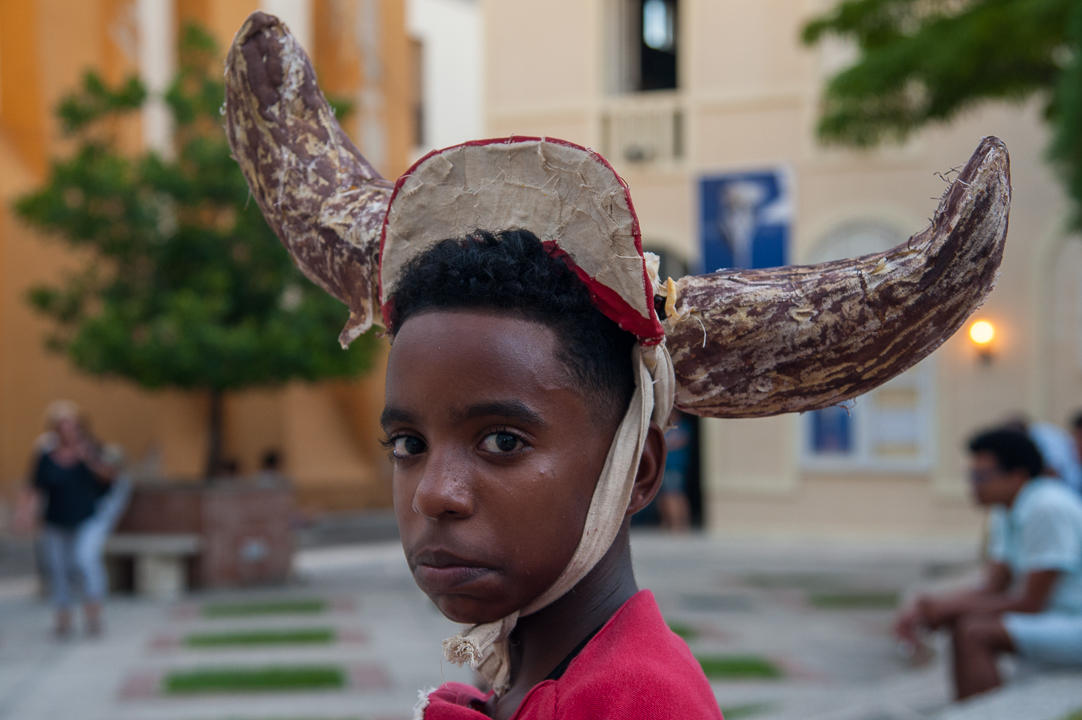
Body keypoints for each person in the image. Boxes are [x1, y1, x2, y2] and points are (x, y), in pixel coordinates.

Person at [223, 12, 1010, 718]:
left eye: (502, 440)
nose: (434, 493)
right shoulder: (539, 681)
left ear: (639, 469)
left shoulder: (636, 703)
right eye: (408, 444)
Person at [893, 428, 1082, 700]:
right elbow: (993, 587)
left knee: (975, 632)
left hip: (1073, 621)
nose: (974, 485)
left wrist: (943, 609)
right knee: (964, 623)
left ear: (1017, 476)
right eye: (972, 476)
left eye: (982, 477)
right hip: (1056, 618)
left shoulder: (1047, 507)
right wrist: (930, 605)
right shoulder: (1007, 509)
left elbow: (1031, 603)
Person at [28, 401, 119, 637]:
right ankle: (63, 619)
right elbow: (36, 486)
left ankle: (93, 614)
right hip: (55, 520)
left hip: (86, 518)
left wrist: (87, 459)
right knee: (58, 570)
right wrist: (27, 515)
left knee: (85, 560)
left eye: (72, 425)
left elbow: (110, 478)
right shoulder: (46, 455)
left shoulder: (92, 449)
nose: (68, 431)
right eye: (63, 426)